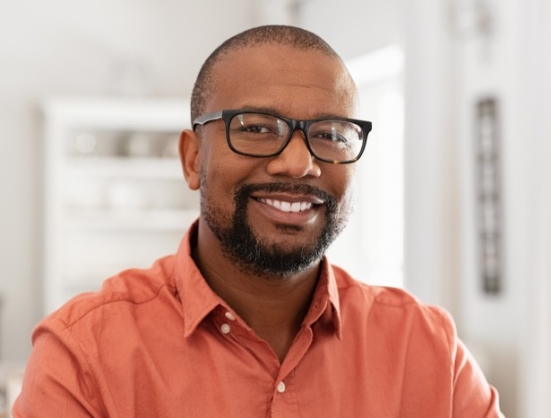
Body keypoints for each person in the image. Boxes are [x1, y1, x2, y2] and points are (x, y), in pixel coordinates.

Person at [13, 25, 504, 417]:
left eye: (331, 134)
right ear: (191, 160)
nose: (298, 164)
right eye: (256, 128)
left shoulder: (429, 352)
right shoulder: (84, 356)